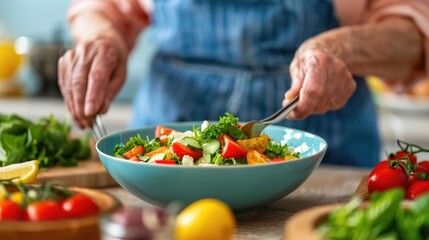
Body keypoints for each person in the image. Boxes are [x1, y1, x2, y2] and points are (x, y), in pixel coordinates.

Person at [58, 0, 429, 167]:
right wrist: (101, 38)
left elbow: (415, 31)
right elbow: (101, 6)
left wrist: (338, 48)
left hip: (329, 152)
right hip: (164, 146)